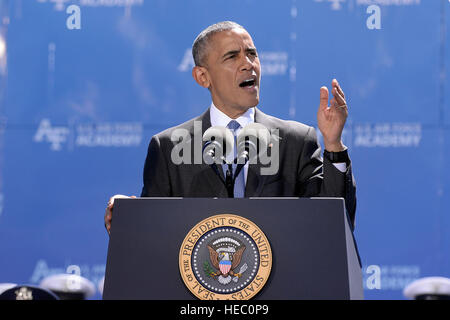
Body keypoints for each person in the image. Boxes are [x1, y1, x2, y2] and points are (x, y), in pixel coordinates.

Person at [104, 21, 356, 234]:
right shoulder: (169, 147)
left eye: (252, 53)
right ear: (203, 77)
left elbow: (332, 223)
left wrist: (333, 144)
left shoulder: (296, 141)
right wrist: (126, 218)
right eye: (232, 56)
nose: (248, 64)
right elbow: (153, 234)